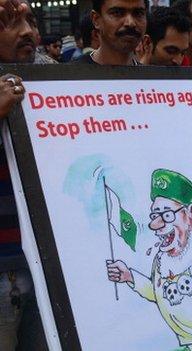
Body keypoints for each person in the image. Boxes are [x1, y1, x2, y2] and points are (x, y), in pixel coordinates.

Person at [107, 169, 192, 351]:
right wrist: (130, 277)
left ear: (190, 214)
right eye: (155, 215)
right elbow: (155, 293)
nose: (156, 225)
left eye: (167, 215)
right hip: (189, 334)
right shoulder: (160, 262)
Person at [0, 1, 47, 350]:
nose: (28, 32)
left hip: (47, 267)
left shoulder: (49, 81)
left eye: (30, 20)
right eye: (9, 23)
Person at [74, 0, 147, 65]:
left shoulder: (151, 78)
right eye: (117, 13)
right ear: (96, 19)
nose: (130, 23)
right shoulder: (71, 77)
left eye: (138, 13)